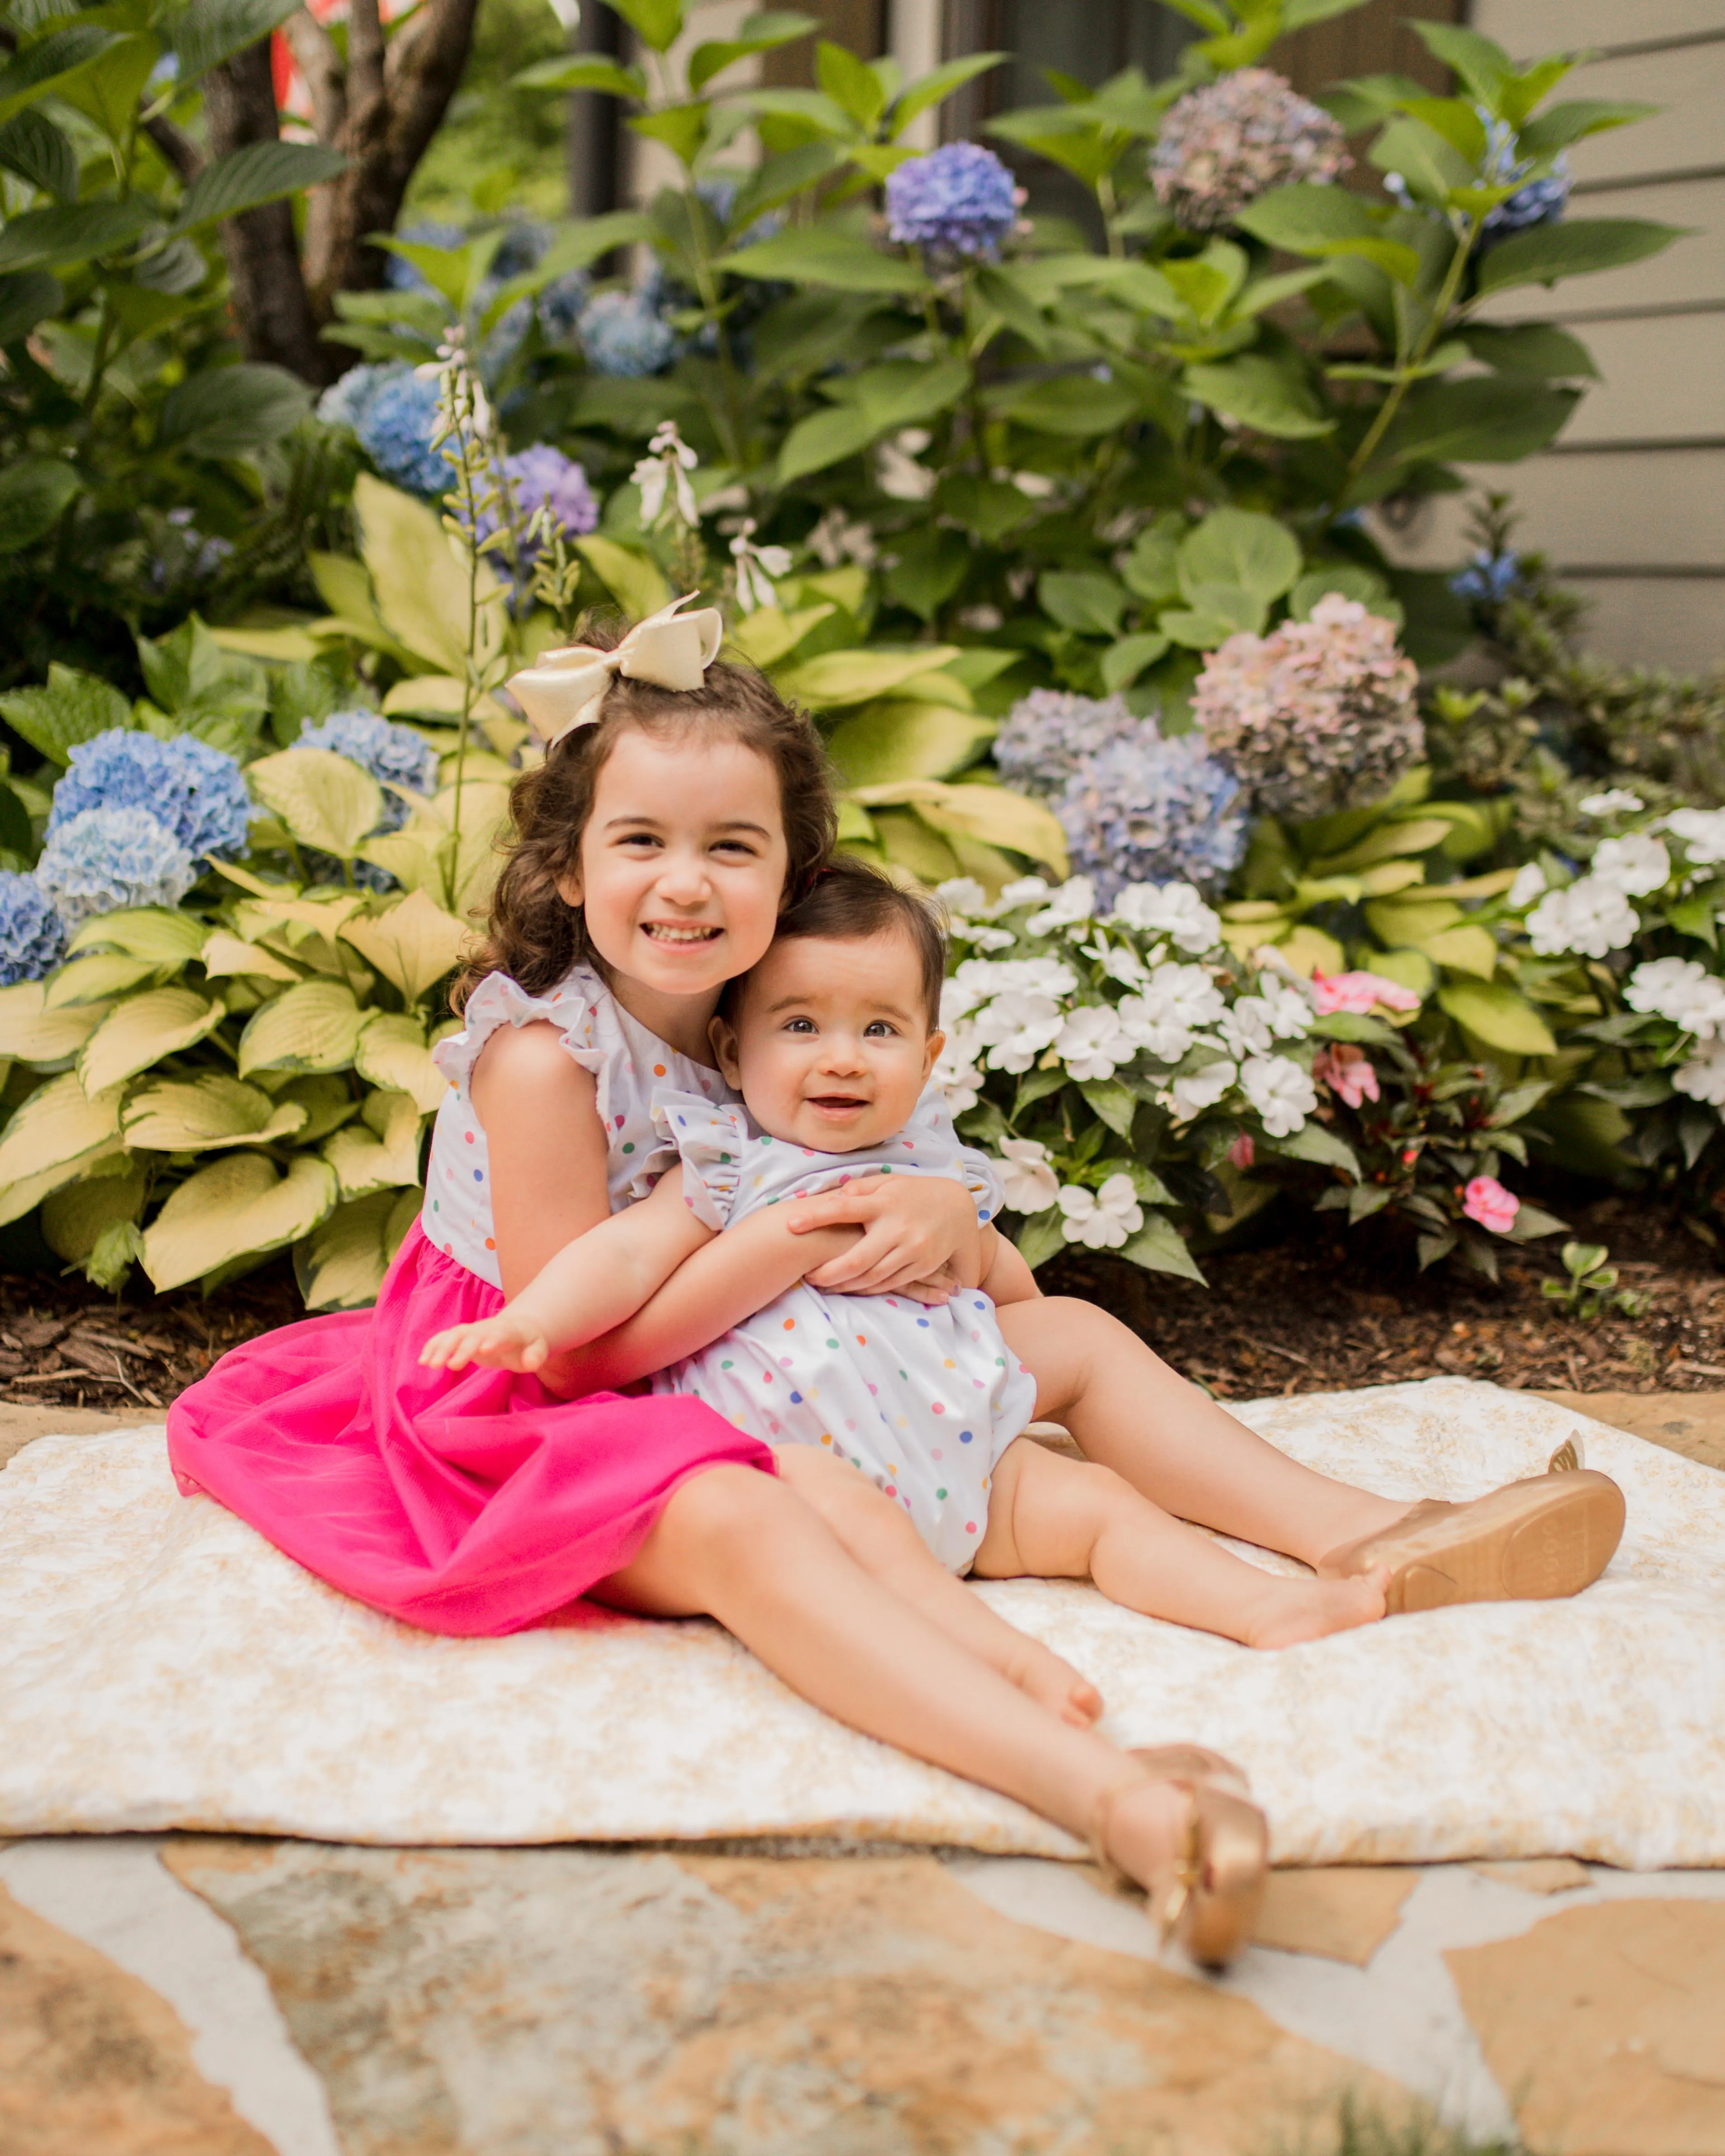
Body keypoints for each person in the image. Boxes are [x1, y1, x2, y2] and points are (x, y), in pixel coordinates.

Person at [167, 600, 1272, 1969]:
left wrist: (929, 1202)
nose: (685, 884)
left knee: (1053, 1338)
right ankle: (1111, 1797)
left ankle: (1361, 1548)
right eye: (641, 841)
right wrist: (789, 1244)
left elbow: (856, 1163)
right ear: (570, 869)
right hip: (522, 1404)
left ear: (792, 873)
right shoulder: (546, 1060)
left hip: (709, 1356)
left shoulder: (763, 1015)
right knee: (754, 1522)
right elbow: (572, 1357)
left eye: (729, 847)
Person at [424, 858, 1627, 1656]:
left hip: (962, 1462)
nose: (841, 1059)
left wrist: (970, 1247)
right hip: (809, 1476)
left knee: (1100, 1487)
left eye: (878, 1031)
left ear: (931, 1052)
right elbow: (620, 1268)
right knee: (1073, 1415)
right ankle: (1317, 1561)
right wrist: (529, 1324)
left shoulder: (915, 1159)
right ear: (734, 1055)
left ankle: (1318, 1581)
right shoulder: (722, 1166)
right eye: (802, 1028)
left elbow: (1012, 1294)